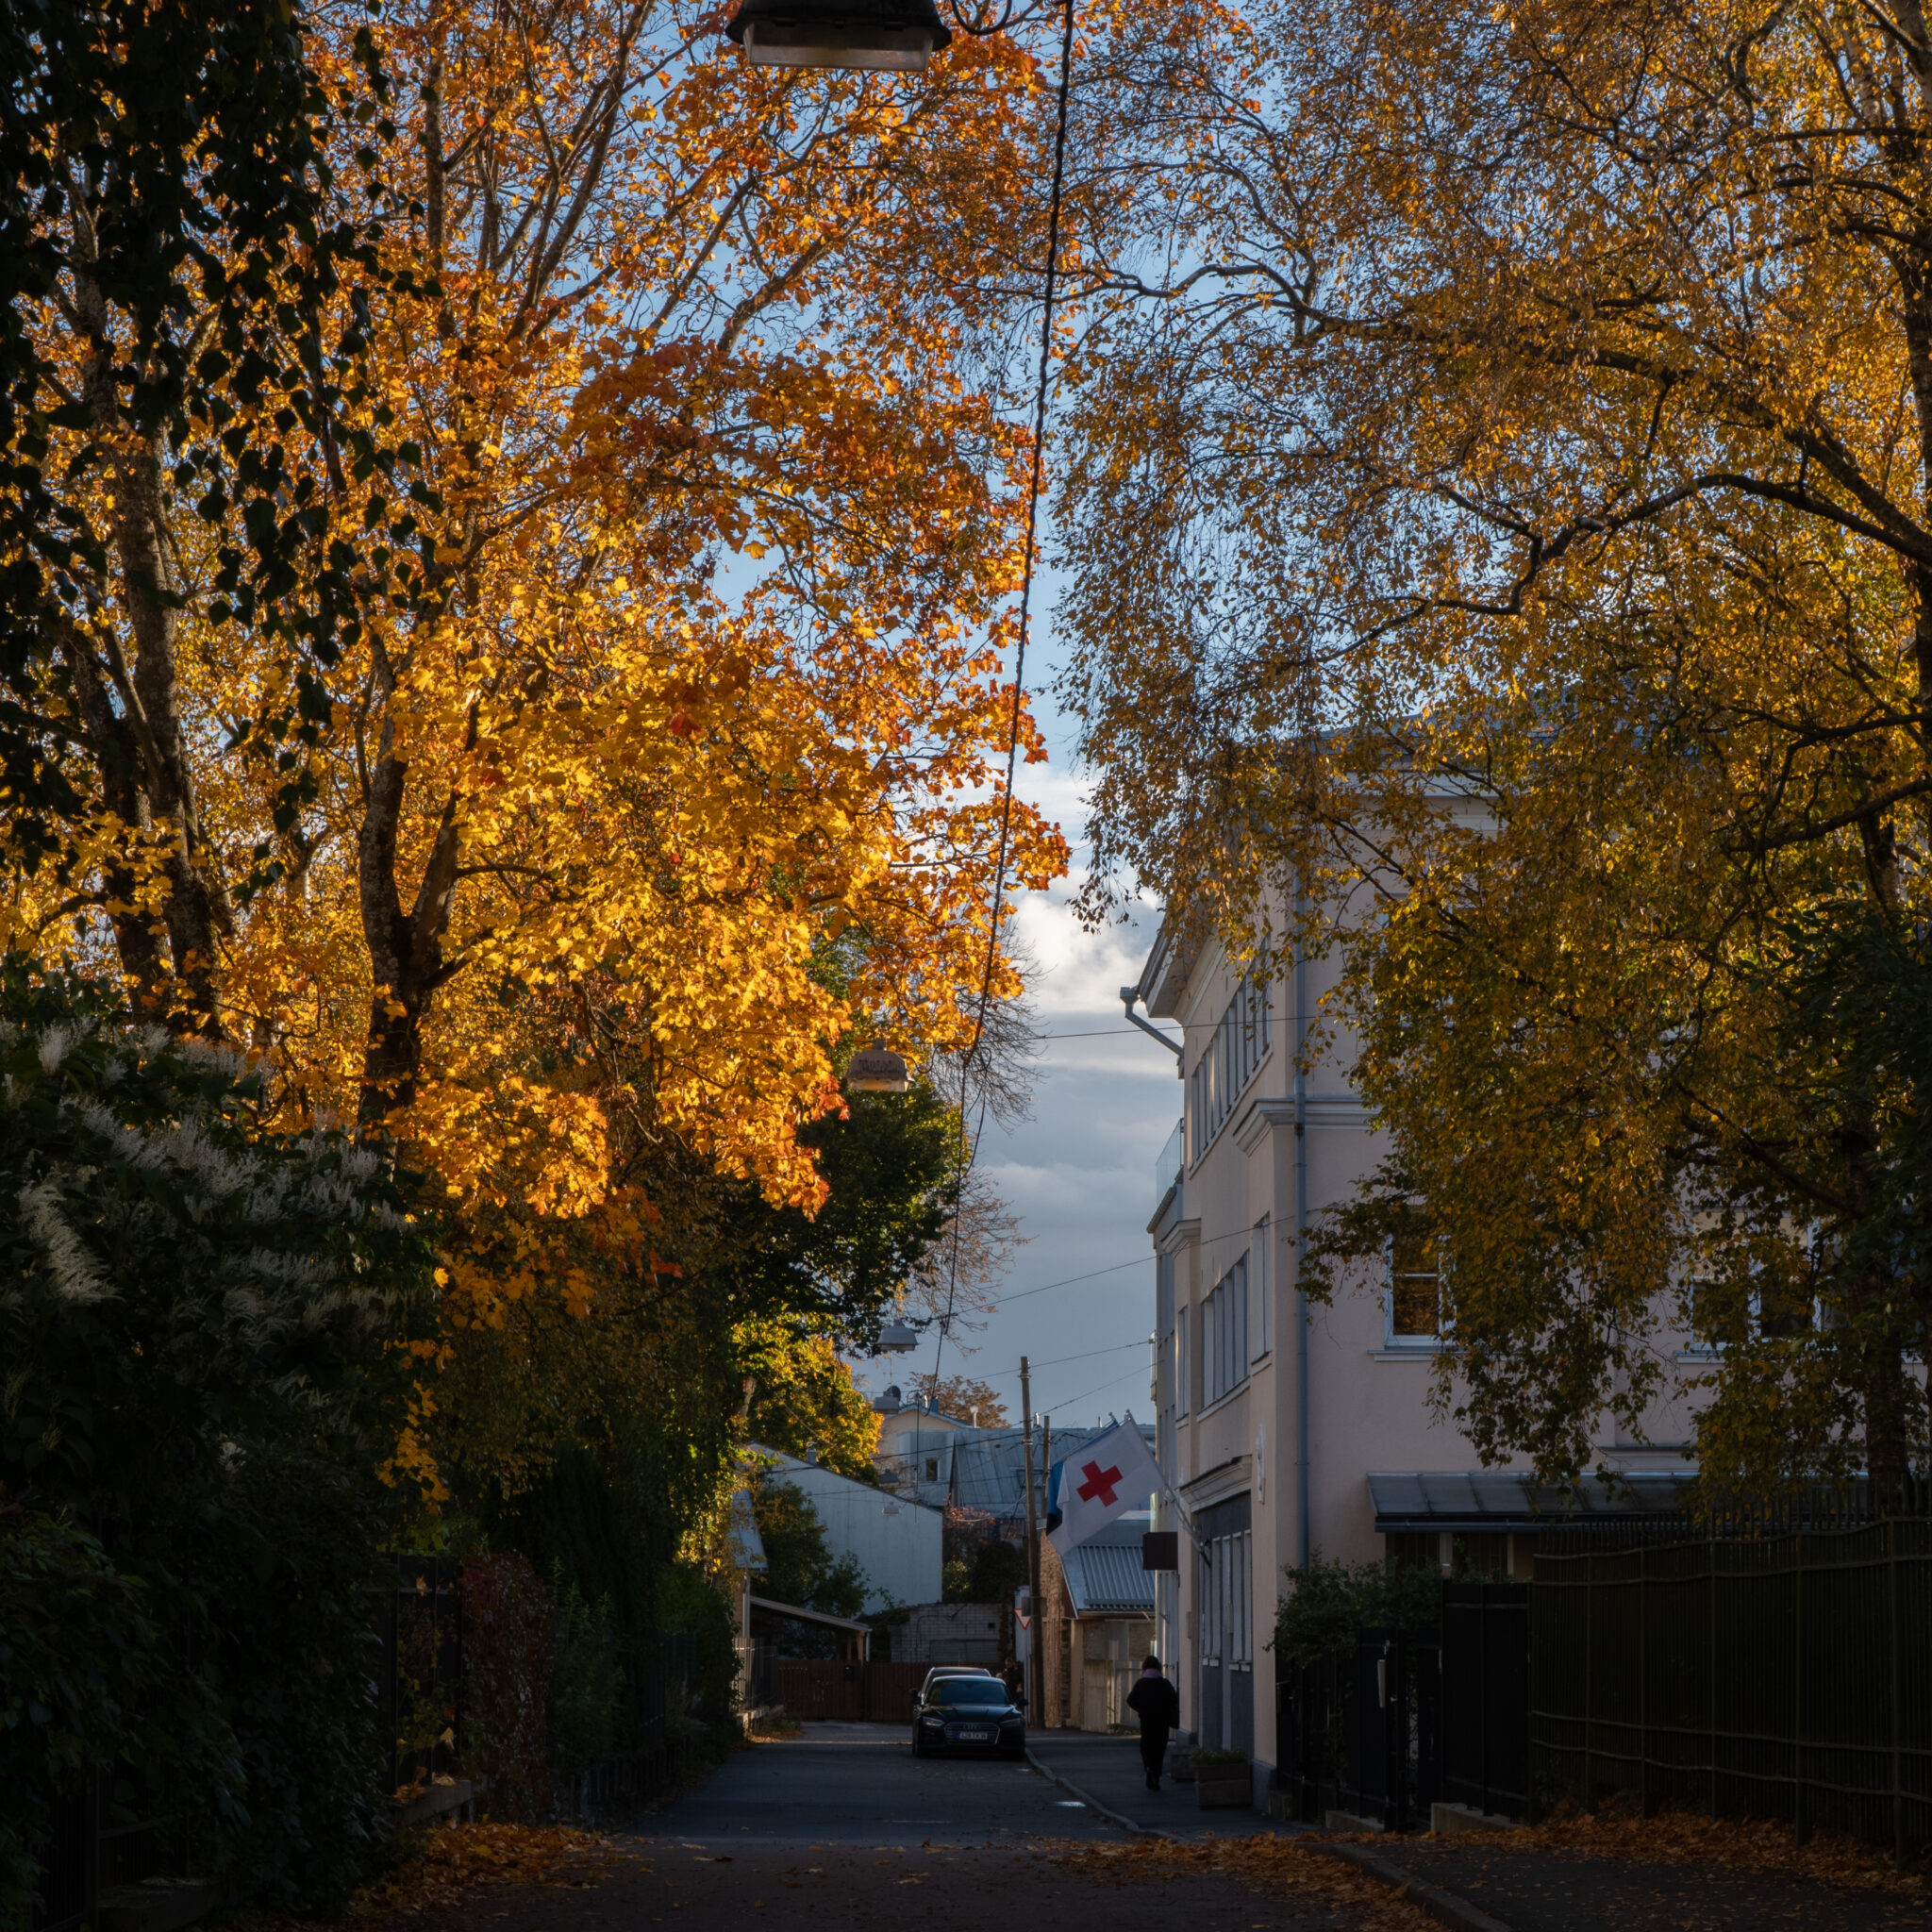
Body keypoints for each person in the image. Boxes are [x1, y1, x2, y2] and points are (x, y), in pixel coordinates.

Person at [1125, 1653, 1180, 1790]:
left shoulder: (1141, 1683)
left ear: (1144, 1668)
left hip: (1147, 1719)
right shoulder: (1164, 1683)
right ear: (1158, 1668)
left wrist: (1141, 1709)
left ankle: (1148, 1767)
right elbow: (1174, 1699)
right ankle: (1156, 1773)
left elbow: (1130, 1700)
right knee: (1159, 1747)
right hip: (1162, 1720)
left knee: (1146, 1746)